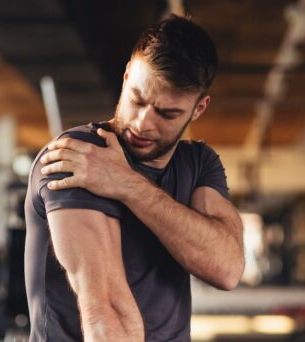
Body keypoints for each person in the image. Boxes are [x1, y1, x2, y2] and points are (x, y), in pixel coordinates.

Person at [24, 14, 245, 342]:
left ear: (198, 109)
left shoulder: (198, 162)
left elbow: (227, 268)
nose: (143, 123)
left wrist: (126, 185)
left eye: (167, 113)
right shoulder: (80, 155)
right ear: (127, 76)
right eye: (137, 99)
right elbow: (104, 312)